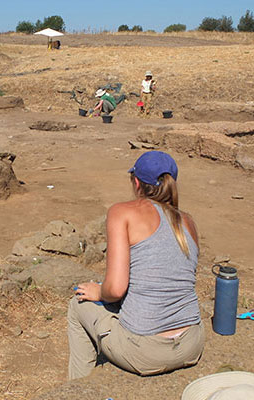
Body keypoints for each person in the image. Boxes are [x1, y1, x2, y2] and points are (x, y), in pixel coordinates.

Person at [68, 151, 204, 379]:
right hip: (192, 343)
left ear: (137, 182)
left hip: (146, 351)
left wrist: (98, 290)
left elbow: (116, 290)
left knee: (78, 303)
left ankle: (79, 389)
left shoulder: (122, 212)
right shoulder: (188, 221)